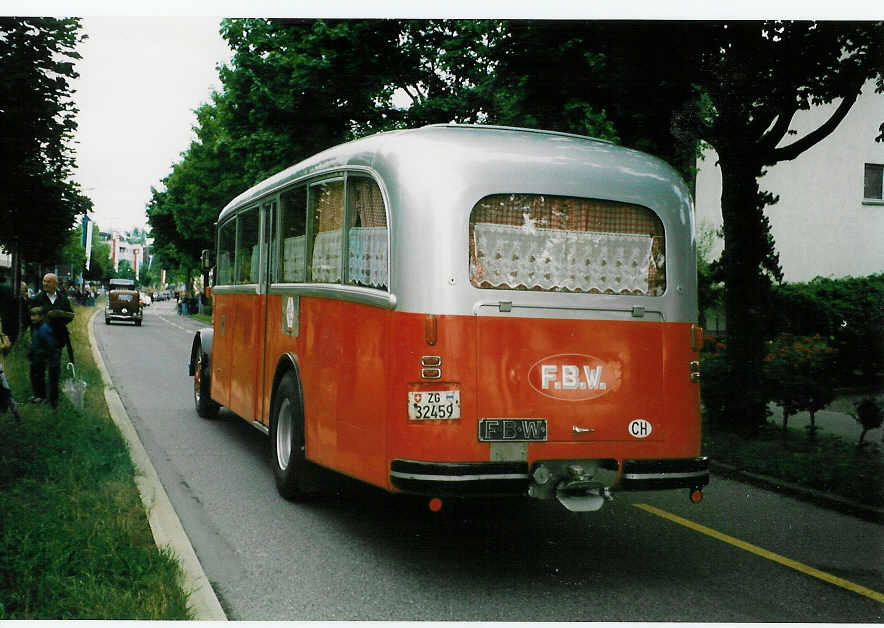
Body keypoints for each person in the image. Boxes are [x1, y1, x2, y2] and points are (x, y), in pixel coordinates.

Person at [30, 273, 75, 364]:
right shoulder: (36, 299)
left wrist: (60, 316)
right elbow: (30, 317)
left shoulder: (63, 299)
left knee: (55, 365)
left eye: (48, 282)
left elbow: (70, 315)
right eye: (44, 281)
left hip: (58, 337)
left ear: (55, 284)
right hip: (41, 337)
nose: (45, 284)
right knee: (40, 366)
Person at [27, 305, 60, 407]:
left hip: (41, 358)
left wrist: (50, 358)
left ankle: (41, 396)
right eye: (31, 316)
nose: (32, 318)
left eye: (34, 316)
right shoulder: (36, 327)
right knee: (34, 376)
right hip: (36, 357)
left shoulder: (44, 329)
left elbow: (50, 344)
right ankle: (37, 394)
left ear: (41, 317)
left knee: (39, 377)